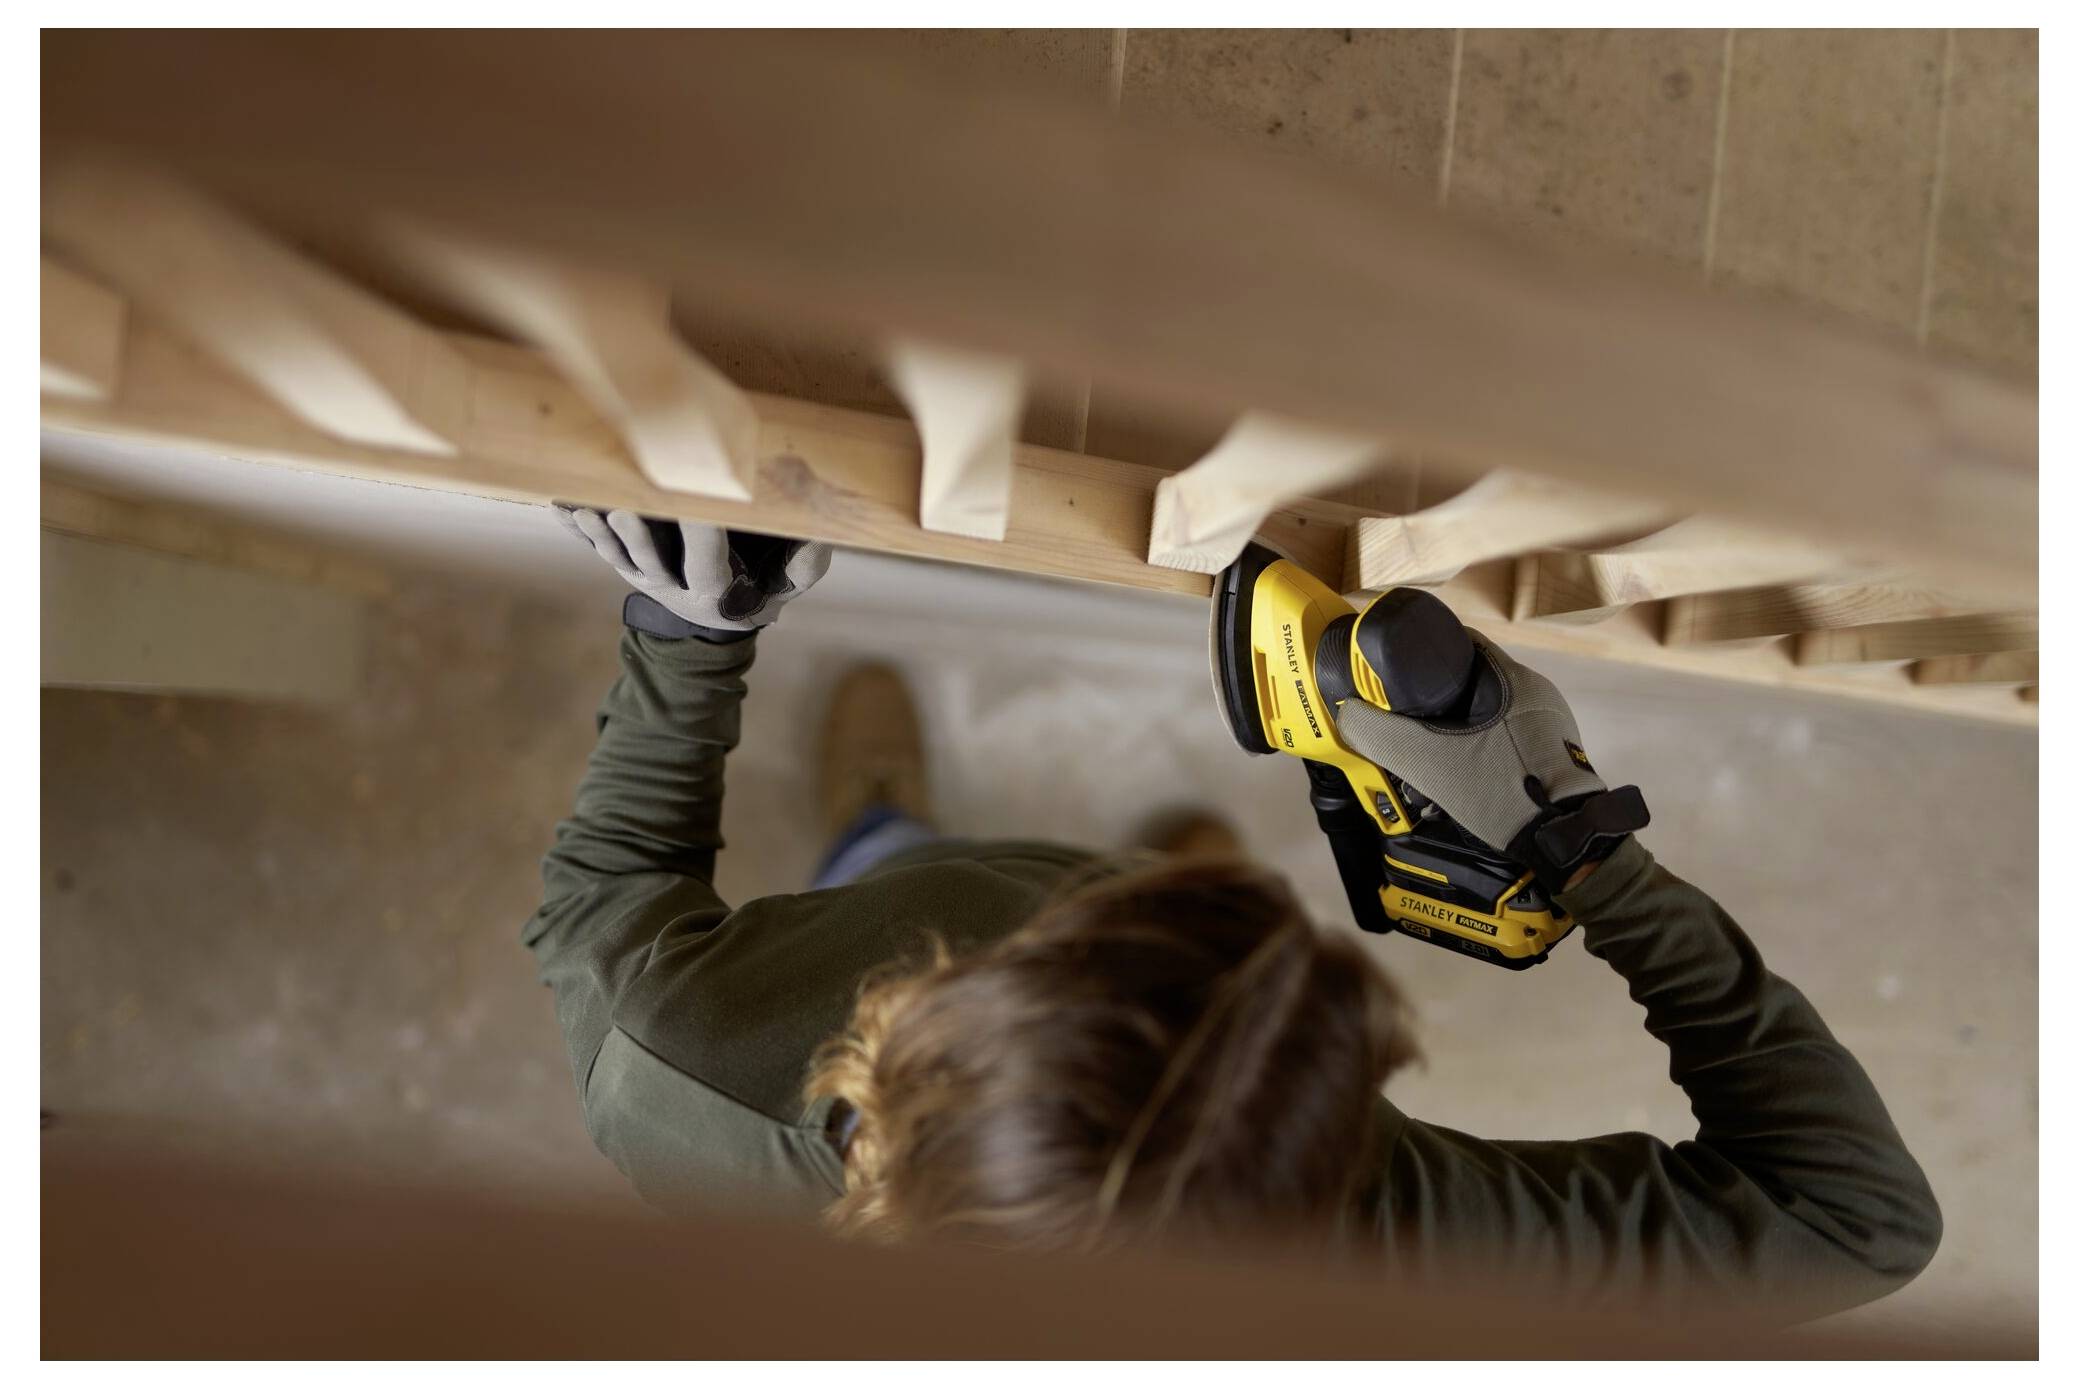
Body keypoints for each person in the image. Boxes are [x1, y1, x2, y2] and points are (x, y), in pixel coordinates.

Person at [524, 507, 1941, 1321]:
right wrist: (1584, 854)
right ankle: (1151, 876)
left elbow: (610, 890)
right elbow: (1861, 1222)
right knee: (1157, 883)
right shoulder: (1383, 1242)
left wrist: (690, 638)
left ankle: (884, 833)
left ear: (911, 1037)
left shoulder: (684, 1080)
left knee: (892, 868)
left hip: (897, 929)